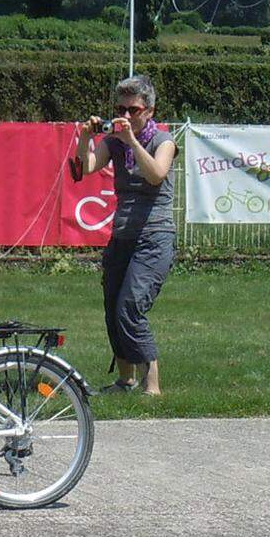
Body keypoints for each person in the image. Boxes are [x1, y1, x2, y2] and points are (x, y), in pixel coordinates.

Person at [71, 74, 176, 395]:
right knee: (112, 305)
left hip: (154, 237)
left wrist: (132, 141)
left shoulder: (163, 142)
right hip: (122, 236)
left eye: (133, 109)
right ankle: (125, 379)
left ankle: (153, 385)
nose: (126, 116)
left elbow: (156, 175)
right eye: (121, 109)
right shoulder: (113, 142)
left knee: (130, 307)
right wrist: (85, 137)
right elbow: (84, 169)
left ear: (150, 110)